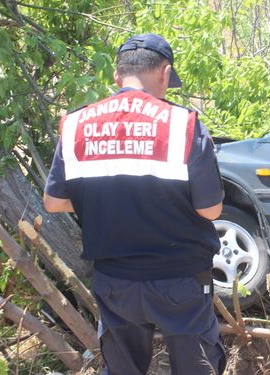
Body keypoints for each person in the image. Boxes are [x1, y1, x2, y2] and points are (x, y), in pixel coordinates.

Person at [43, 33, 226, 375]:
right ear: (164, 72)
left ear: (117, 76)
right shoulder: (182, 124)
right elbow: (210, 210)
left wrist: (100, 198)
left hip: (115, 282)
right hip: (181, 280)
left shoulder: (77, 124)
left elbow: (53, 202)